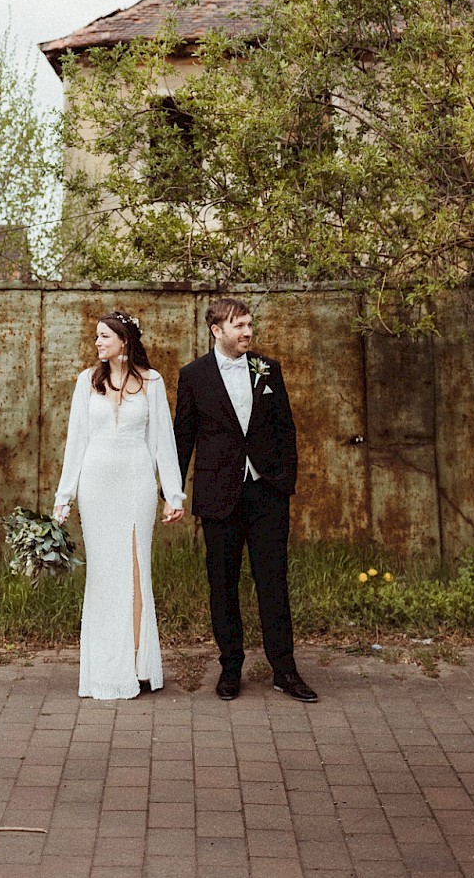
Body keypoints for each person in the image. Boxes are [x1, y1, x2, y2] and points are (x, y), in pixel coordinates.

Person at [174, 297, 317, 703]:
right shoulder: (193, 376)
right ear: (216, 331)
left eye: (250, 324)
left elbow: (285, 429)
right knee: (223, 584)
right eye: (239, 326)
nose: (248, 332)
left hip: (266, 493)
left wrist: (283, 481)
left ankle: (284, 670)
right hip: (218, 494)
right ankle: (230, 667)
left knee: (273, 581)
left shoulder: (269, 369)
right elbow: (183, 437)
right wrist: (174, 491)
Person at [53, 310, 184, 700]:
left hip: (136, 485)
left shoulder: (152, 382)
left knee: (135, 567)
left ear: (124, 341)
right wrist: (64, 499)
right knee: (104, 573)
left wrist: (172, 493)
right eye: (96, 337)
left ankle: (137, 664)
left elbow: (163, 440)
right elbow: (75, 442)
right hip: (96, 486)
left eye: (105, 336)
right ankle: (104, 667)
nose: (98, 343)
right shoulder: (86, 382)